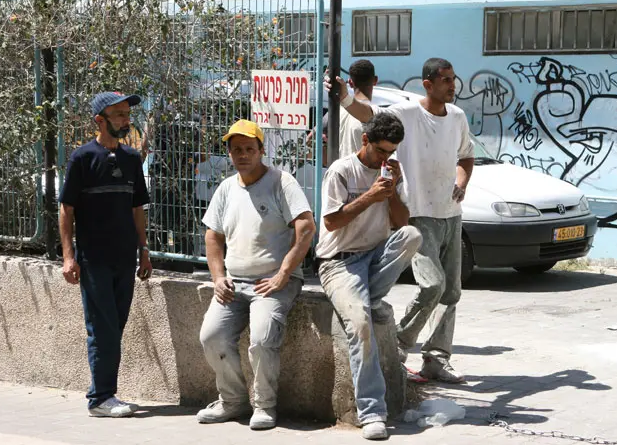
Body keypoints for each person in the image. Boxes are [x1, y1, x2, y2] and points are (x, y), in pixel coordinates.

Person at [326, 57, 475, 383]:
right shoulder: (407, 114)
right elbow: (370, 118)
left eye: (454, 79)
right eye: (446, 80)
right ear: (428, 83)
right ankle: (398, 343)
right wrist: (345, 98)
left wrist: (461, 183)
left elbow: (466, 156)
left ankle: (436, 359)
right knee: (432, 286)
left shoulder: (458, 117)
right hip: (419, 215)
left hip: (451, 214)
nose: (452, 85)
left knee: (451, 293)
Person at [197, 119, 316, 430]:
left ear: (262, 151)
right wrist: (218, 276)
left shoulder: (281, 182)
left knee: (262, 339)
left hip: (273, 283)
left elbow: (305, 229)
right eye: (237, 150)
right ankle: (233, 401)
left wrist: (283, 274)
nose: (243, 155)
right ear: (230, 154)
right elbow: (213, 235)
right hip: (234, 282)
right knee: (211, 336)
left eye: (250, 149)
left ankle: (264, 406)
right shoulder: (226, 188)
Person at [316, 112, 421, 440]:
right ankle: (372, 412)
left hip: (375, 256)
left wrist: (390, 194)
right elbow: (332, 222)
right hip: (340, 262)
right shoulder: (341, 171)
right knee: (361, 326)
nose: (385, 158)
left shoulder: (390, 172)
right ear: (365, 141)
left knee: (413, 236)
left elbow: (403, 222)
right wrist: (369, 196)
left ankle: (367, 296)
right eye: (380, 151)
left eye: (392, 153)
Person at [58, 91, 152, 417]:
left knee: (116, 324)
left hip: (125, 258)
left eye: (127, 114)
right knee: (103, 327)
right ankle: (100, 398)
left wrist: (144, 250)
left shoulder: (131, 159)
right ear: (100, 120)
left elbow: (137, 208)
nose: (126, 120)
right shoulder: (82, 159)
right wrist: (69, 257)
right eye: (119, 115)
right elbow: (66, 210)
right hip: (94, 259)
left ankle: (104, 393)